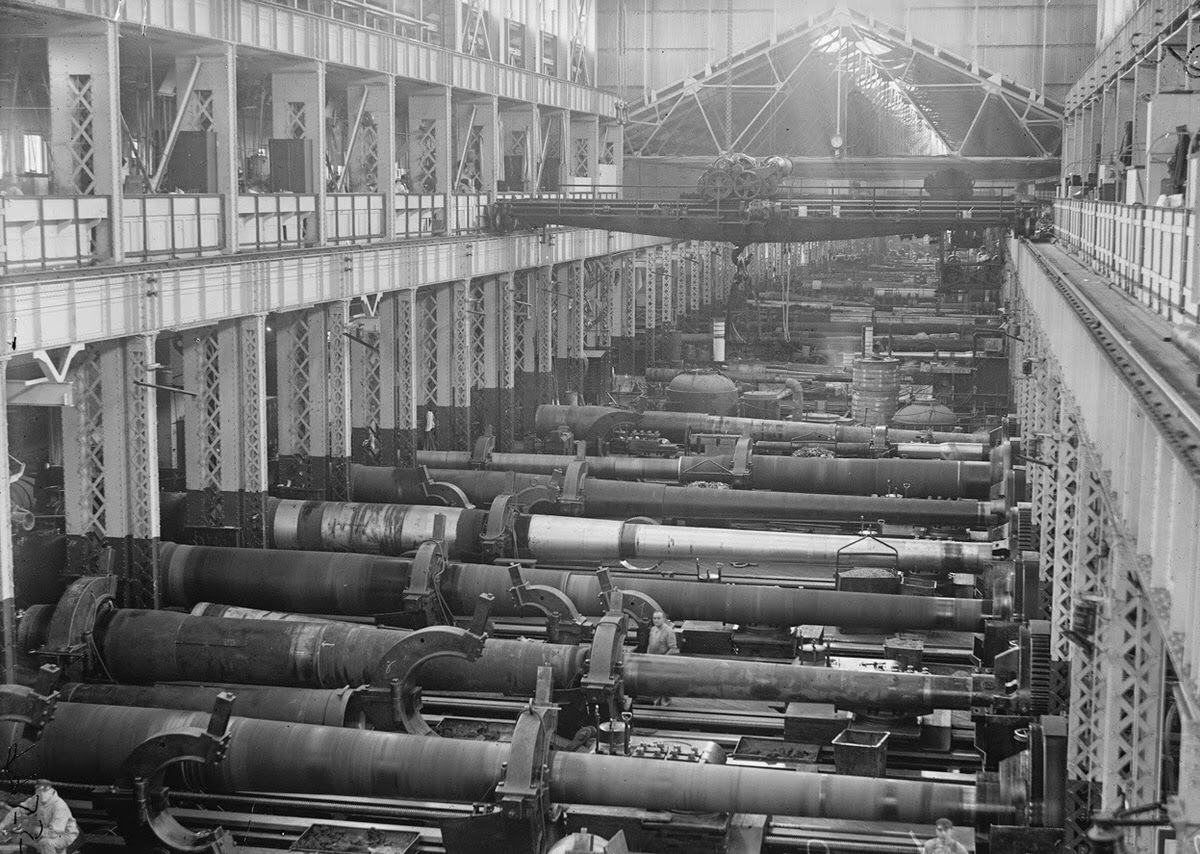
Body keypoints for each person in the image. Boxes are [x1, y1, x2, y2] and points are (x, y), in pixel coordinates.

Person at [0, 779, 80, 854]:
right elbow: (18, 810)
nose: (42, 793)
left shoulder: (59, 806)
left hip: (66, 835)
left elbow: (54, 833)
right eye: (39, 790)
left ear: (50, 790)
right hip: (47, 831)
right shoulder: (37, 798)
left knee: (45, 843)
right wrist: (2, 825)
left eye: (45, 790)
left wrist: (30, 828)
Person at [647, 610, 679, 706]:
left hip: (663, 661)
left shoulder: (669, 631)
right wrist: (647, 656)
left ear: (664, 619)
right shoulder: (653, 629)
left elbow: (673, 648)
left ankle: (665, 703)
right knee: (655, 682)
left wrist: (663, 660)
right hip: (653, 660)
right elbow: (650, 644)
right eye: (654, 618)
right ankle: (656, 701)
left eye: (658, 618)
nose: (656, 620)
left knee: (664, 682)